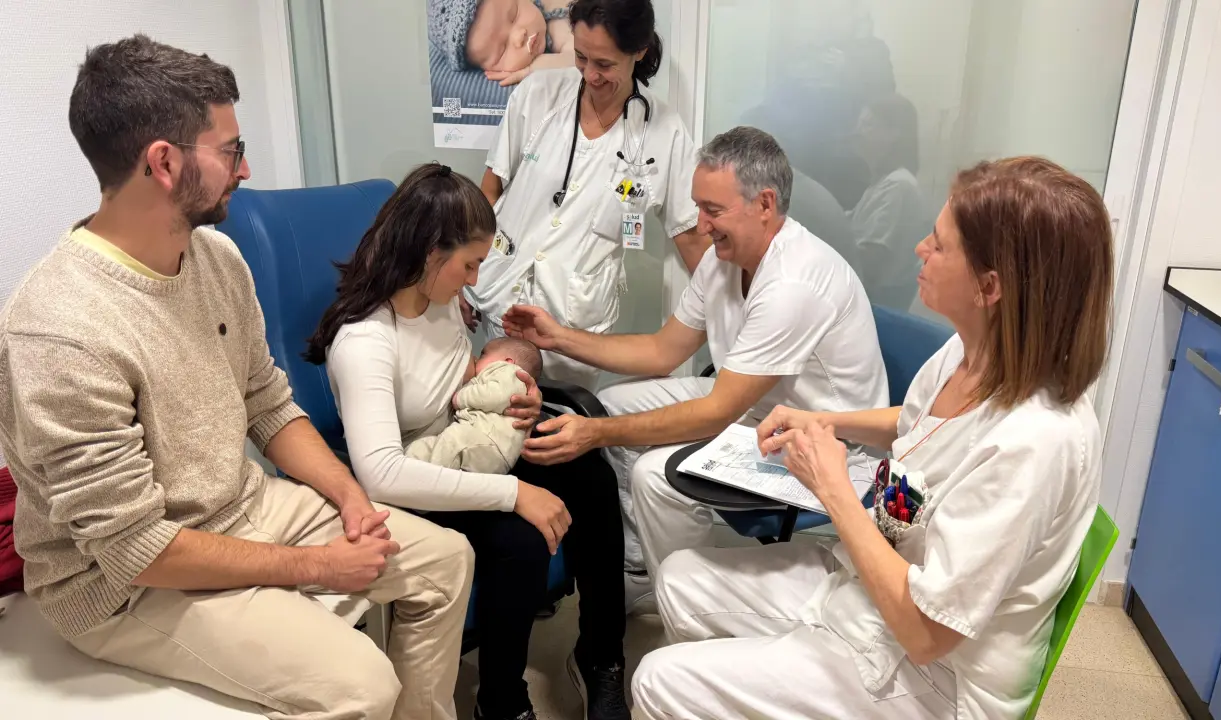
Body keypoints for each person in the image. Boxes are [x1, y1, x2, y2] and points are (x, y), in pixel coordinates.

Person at [0, 36, 473, 720]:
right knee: (362, 686)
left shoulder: (216, 258)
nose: (245, 169)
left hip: (243, 507)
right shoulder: (61, 329)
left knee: (446, 561)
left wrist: (350, 496)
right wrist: (317, 567)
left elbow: (267, 403)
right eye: (230, 150)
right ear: (164, 163)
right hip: (123, 585)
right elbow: (137, 549)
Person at [631, 156, 1114, 720]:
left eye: (940, 244)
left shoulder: (1037, 443)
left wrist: (833, 487)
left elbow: (927, 634)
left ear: (988, 287)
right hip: (878, 585)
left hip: (935, 676)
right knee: (679, 581)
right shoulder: (973, 350)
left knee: (659, 681)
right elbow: (921, 422)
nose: (920, 249)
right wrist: (825, 421)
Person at [502, 126, 890, 611]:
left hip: (827, 444)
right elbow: (662, 351)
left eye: (713, 209)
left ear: (765, 204)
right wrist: (559, 337)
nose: (701, 225)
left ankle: (688, 599)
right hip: (757, 408)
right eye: (698, 207)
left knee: (653, 475)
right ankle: (642, 566)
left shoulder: (793, 284)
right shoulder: (725, 260)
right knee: (613, 402)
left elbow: (716, 411)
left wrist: (594, 435)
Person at [308, 164, 628, 720]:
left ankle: (602, 657)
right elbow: (382, 473)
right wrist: (514, 494)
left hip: (467, 444)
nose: (476, 280)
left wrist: (517, 393)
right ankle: (501, 703)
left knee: (591, 474)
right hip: (415, 478)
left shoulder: (440, 302)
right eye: (469, 264)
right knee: (521, 539)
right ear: (430, 253)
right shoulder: (365, 340)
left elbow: (459, 384)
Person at [466, 0, 711, 391]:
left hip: (573, 326)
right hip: (500, 300)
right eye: (581, 57)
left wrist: (731, 309)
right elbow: (489, 192)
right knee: (492, 406)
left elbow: (693, 238)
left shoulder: (665, 133)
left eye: (605, 64)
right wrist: (465, 275)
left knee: (561, 419)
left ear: (639, 51)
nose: (590, 74)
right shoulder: (537, 94)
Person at [405, 336, 543, 474]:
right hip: (485, 446)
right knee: (425, 450)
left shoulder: (510, 372)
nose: (476, 359)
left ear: (508, 361)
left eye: (483, 354)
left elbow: (495, 396)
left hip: (488, 442)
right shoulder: (507, 381)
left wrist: (461, 397)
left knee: (448, 443)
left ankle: (414, 471)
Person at [845, 93, 931, 310]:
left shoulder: (897, 187)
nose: (857, 132)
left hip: (873, 307)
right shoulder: (881, 184)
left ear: (894, 134)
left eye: (868, 125)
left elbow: (870, 264)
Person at [428, 0, 575, 88]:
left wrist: (533, 69)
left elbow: (579, 60)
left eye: (514, 15)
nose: (519, 37)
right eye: (502, 51)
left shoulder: (557, 24)